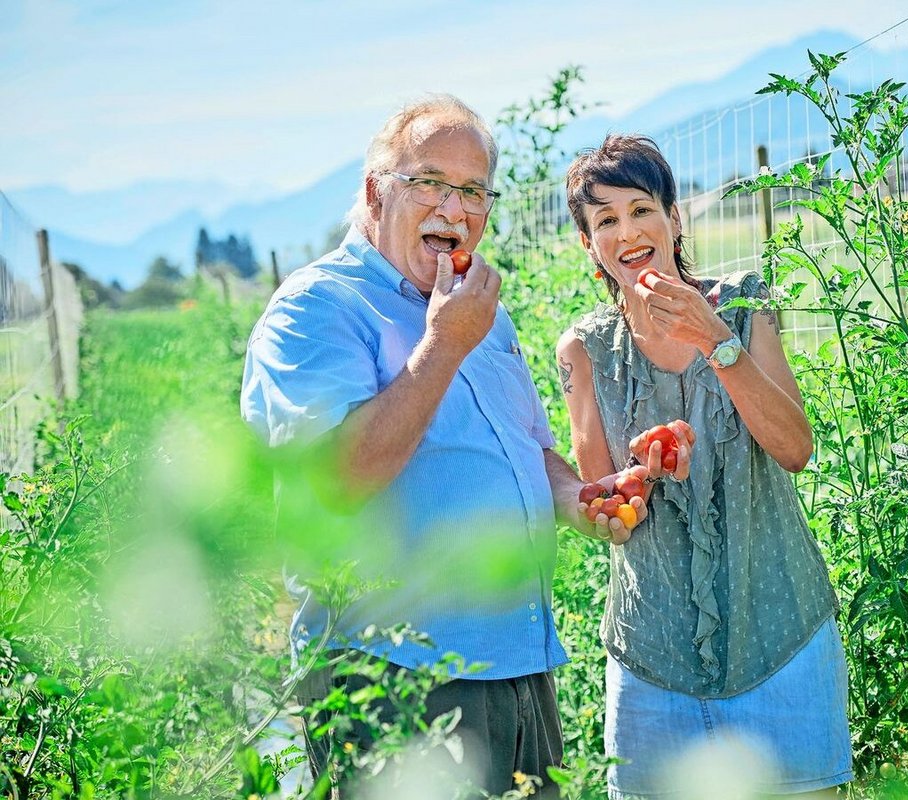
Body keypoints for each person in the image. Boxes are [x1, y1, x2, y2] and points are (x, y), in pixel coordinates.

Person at [240, 94, 643, 796]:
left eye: (473, 192)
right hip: (395, 677)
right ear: (375, 191)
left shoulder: (478, 308)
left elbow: (523, 449)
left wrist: (578, 498)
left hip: (517, 666)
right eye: (429, 182)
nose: (454, 210)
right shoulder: (317, 309)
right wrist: (443, 345)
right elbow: (336, 478)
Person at [556, 134, 853, 798]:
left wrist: (716, 342)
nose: (627, 232)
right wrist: (636, 481)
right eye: (605, 221)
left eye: (640, 210)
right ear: (588, 244)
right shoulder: (585, 352)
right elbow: (607, 511)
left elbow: (795, 449)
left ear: (674, 218)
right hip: (654, 660)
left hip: (779, 637)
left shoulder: (743, 307)